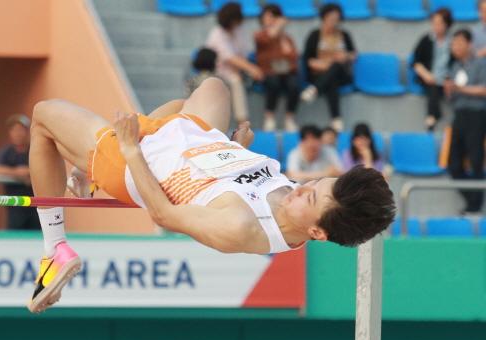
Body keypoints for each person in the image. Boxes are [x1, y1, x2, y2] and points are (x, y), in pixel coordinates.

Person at [27, 77, 395, 313]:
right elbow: (231, 182)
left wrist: (130, 151)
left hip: (143, 160)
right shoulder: (298, 201)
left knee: (43, 116)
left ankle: (54, 249)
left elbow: (164, 216)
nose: (301, 189)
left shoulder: (241, 227)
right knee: (212, 87)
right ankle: (81, 173)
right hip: (194, 138)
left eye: (310, 198)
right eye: (315, 183)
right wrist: (236, 149)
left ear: (317, 233)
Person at [444, 29, 486, 214]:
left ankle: (475, 206)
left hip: (477, 115)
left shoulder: (481, 64)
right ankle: (472, 201)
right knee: (453, 164)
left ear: (469, 44)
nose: (456, 47)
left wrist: (461, 88)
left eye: (460, 42)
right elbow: (453, 98)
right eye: (453, 43)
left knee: (476, 160)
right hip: (459, 115)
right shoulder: (454, 67)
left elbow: (484, 90)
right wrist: (450, 90)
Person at [301, 3, 356, 132]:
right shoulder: (315, 35)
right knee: (332, 80)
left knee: (336, 66)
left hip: (342, 72)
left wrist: (346, 56)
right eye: (331, 18)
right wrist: (324, 65)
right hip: (319, 73)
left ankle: (314, 90)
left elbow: (353, 53)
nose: (334, 22)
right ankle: (336, 119)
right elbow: (308, 60)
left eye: (336, 19)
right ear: (324, 18)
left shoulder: (344, 35)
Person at [205, 2, 264, 123]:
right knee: (236, 80)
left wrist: (246, 68)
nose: (238, 23)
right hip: (216, 71)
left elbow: (245, 52)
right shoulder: (217, 34)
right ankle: (242, 121)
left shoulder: (239, 30)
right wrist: (252, 69)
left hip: (236, 70)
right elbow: (229, 58)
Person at [254, 3, 299, 132]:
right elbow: (267, 39)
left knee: (294, 84)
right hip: (268, 72)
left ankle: (290, 118)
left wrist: (282, 36)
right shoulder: (259, 35)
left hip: (286, 73)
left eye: (273, 17)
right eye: (267, 17)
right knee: (273, 83)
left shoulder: (286, 38)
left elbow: (292, 56)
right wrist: (278, 26)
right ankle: (269, 117)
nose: (271, 20)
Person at [0, 114, 40, 230]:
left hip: (36, 206)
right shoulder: (6, 152)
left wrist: (30, 174)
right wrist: (18, 173)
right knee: (14, 238)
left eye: (21, 129)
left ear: (27, 132)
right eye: (14, 130)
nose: (17, 133)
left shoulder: (35, 150)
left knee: (37, 238)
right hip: (15, 207)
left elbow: (44, 168)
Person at [412, 8, 454, 131]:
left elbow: (457, 63)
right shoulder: (426, 39)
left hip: (446, 78)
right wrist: (426, 75)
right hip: (428, 77)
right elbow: (416, 61)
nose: (436, 26)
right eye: (434, 23)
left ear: (447, 24)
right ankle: (433, 115)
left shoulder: (453, 41)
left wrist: (449, 79)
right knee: (433, 86)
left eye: (439, 23)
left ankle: (433, 116)